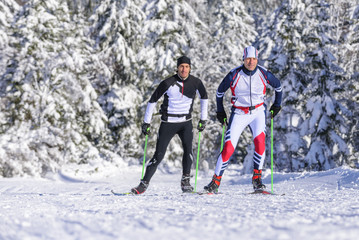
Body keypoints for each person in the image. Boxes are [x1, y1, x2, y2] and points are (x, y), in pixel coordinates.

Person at [204, 46, 282, 193]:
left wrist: (277, 105)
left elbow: (278, 87)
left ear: (257, 60)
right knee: (228, 148)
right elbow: (220, 92)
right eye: (248, 59)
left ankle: (257, 179)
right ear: (243, 59)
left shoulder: (264, 73)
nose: (251, 62)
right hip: (239, 113)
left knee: (260, 143)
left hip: (258, 112)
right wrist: (221, 111)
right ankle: (215, 181)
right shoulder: (234, 74)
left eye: (253, 59)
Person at [131, 56, 208, 194]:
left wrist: (204, 119)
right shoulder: (168, 83)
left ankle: (186, 183)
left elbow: (204, 97)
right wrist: (146, 122)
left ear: (190, 68)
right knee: (158, 155)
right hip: (168, 123)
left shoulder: (196, 82)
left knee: (188, 151)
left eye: (187, 67)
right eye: (181, 67)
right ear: (177, 68)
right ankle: (143, 184)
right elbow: (152, 100)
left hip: (186, 123)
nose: (184, 69)